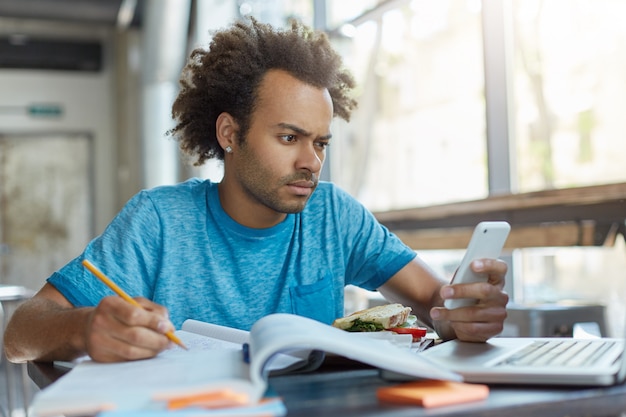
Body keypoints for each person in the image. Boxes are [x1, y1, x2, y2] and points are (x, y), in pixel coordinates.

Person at [3, 18, 508, 364]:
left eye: (321, 142)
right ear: (229, 134)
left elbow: (435, 303)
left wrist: (465, 313)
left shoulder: (334, 215)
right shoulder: (159, 220)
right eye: (289, 138)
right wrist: (82, 327)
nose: (311, 161)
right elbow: (20, 333)